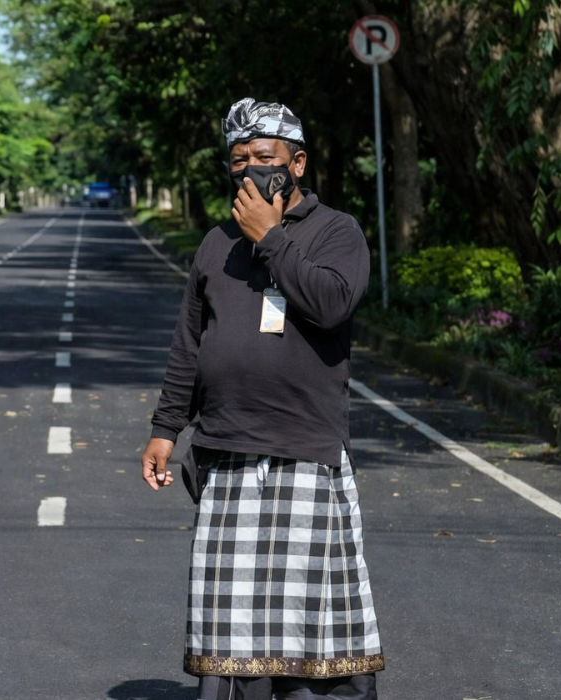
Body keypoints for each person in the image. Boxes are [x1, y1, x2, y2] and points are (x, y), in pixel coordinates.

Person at [139, 99, 383, 700]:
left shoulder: (338, 231)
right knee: (232, 626)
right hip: (224, 451)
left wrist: (271, 238)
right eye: (239, 160)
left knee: (310, 624)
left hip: (306, 451)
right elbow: (189, 345)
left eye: (264, 158)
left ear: (296, 164)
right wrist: (166, 429)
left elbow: (331, 304)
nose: (250, 170)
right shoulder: (215, 243)